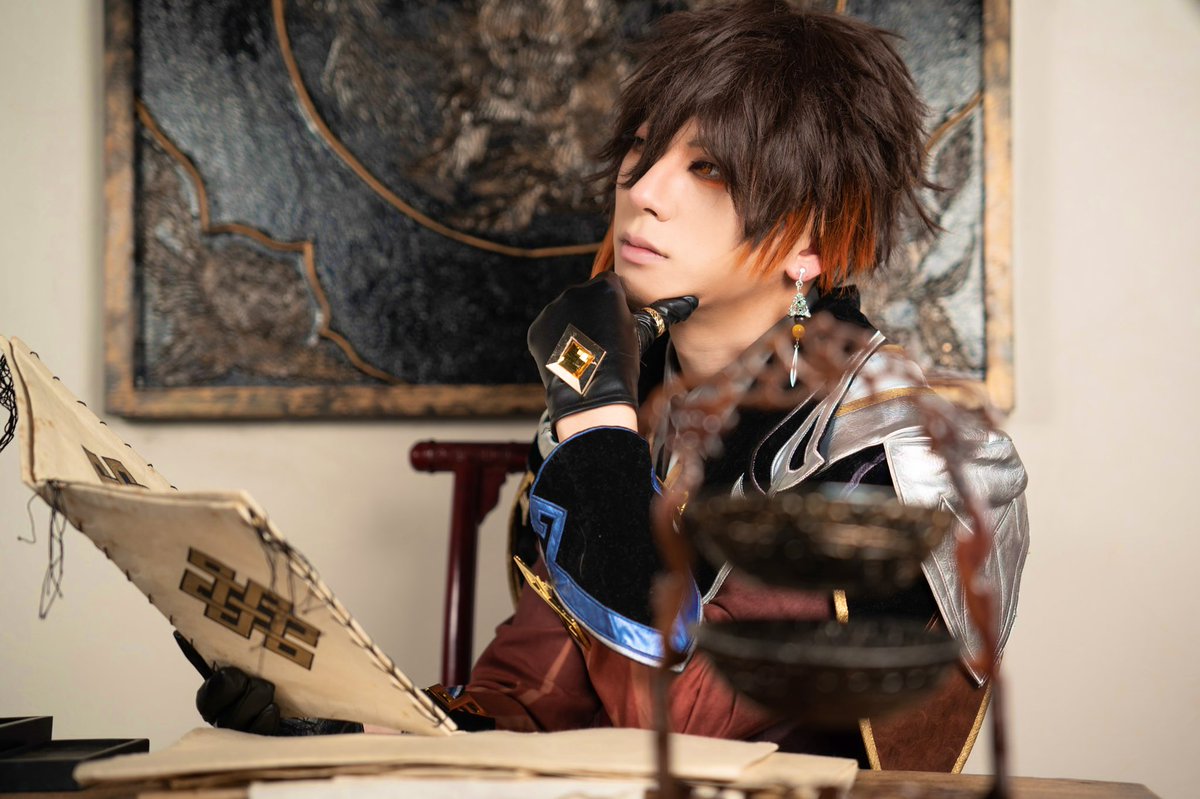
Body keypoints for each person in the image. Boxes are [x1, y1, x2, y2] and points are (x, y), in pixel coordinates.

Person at [191, 0, 1029, 770]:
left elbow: (684, 722)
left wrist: (595, 428)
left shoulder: (905, 452)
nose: (643, 189)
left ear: (810, 241)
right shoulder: (627, 407)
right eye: (641, 147)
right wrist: (347, 719)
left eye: (709, 168)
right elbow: (531, 701)